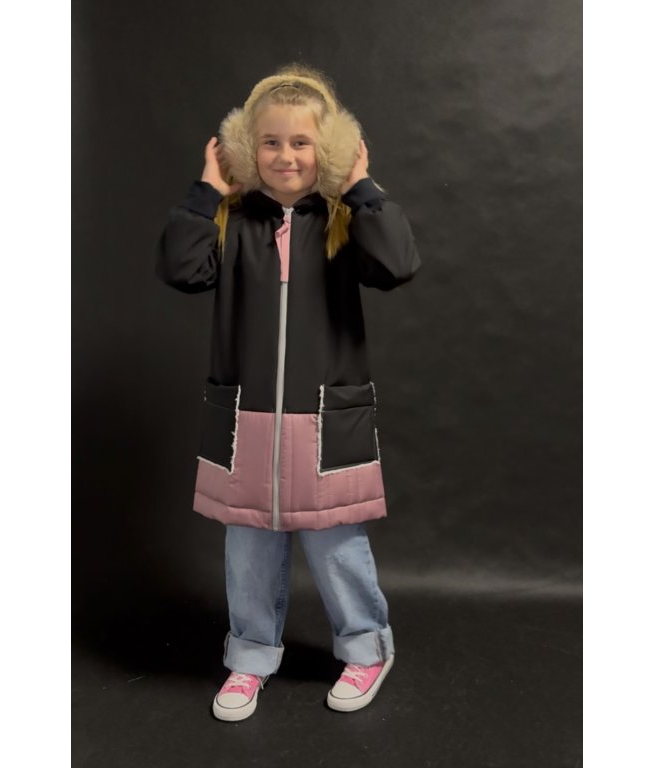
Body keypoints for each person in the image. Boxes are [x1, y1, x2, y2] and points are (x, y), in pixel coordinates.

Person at [156, 64, 421, 722]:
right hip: (245, 414)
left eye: (302, 142)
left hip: (326, 415)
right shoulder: (232, 219)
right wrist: (206, 191)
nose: (286, 156)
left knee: (336, 542)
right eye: (270, 142)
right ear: (247, 148)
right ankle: (249, 656)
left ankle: (367, 647)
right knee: (248, 544)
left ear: (327, 148)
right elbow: (181, 268)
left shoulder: (344, 219)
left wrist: (360, 188)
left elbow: (397, 264)